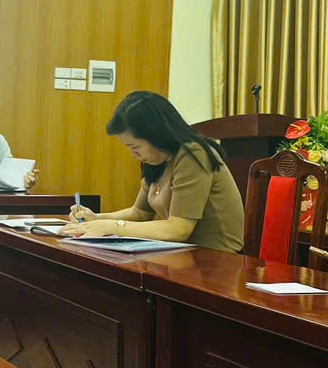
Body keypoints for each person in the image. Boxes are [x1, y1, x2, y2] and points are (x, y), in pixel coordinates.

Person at [61, 91, 244, 252]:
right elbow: (140, 213)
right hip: (182, 255)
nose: (133, 155)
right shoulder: (158, 158)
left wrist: (112, 226)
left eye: (135, 147)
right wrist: (96, 219)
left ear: (156, 135)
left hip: (217, 259)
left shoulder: (193, 154)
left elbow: (179, 229)